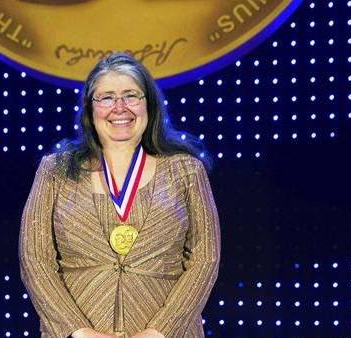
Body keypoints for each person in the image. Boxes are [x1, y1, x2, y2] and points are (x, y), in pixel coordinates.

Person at [19, 52, 221, 338]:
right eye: (107, 98)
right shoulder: (55, 171)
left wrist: (159, 332)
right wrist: (79, 332)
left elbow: (205, 259)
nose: (120, 107)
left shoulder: (186, 171)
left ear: (148, 104)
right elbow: (35, 259)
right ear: (90, 108)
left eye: (131, 96)